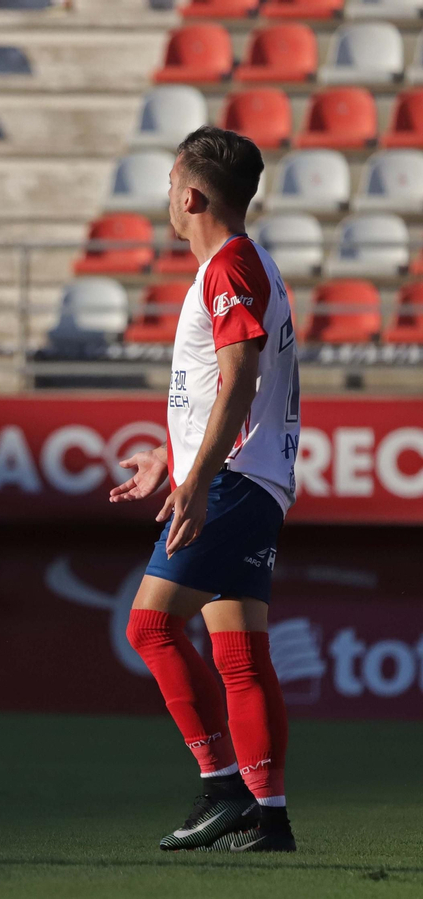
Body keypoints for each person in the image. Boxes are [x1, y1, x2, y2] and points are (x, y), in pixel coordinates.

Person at [109, 125, 301, 853]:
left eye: (167, 184)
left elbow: (239, 378)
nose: (166, 196)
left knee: (150, 628)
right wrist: (170, 457)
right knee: (241, 655)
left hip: (233, 478)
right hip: (254, 478)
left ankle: (221, 785)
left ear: (189, 194)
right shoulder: (251, 265)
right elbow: (221, 389)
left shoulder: (228, 267)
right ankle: (270, 815)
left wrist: (193, 480)